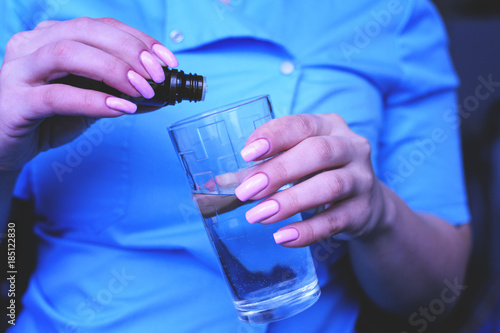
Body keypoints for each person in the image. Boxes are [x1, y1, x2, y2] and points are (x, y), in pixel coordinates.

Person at [0, 0, 471, 332]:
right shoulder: (32, 12)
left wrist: (378, 214)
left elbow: (436, 297)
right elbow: (9, 259)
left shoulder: (394, 13)